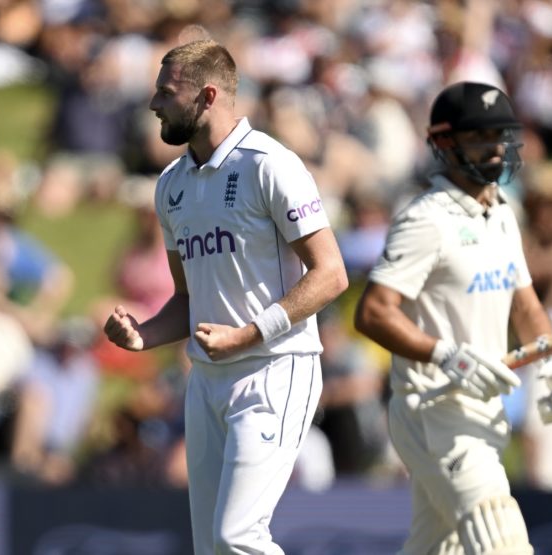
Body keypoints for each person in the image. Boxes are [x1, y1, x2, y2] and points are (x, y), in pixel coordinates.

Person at [102, 38, 348, 555]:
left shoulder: (270, 165)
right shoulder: (170, 186)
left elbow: (330, 275)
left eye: (166, 93)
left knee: (238, 538)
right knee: (212, 547)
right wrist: (143, 335)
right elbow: (188, 298)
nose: (153, 105)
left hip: (275, 369)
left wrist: (250, 335)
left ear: (207, 95)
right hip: (207, 383)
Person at [354, 81, 552, 554]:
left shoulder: (502, 213)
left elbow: (526, 306)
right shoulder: (424, 220)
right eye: (481, 137)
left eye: (501, 136)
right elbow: (373, 313)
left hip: (484, 411)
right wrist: (446, 355)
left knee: (440, 547)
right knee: (500, 536)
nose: (496, 149)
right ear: (444, 143)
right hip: (432, 408)